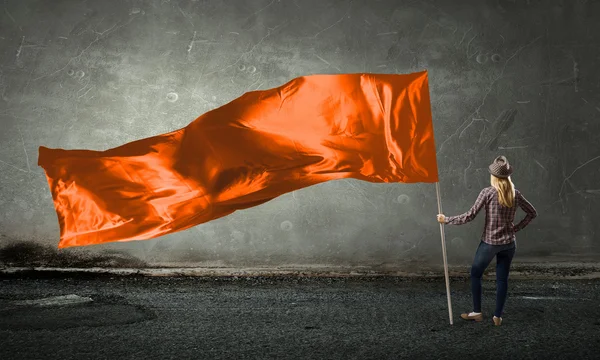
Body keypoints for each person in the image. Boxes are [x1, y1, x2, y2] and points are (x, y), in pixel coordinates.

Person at [436, 156, 537, 326]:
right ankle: (498, 316)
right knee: (502, 279)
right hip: (509, 243)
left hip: (490, 243)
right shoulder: (515, 194)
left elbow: (470, 216)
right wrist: (516, 228)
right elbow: (532, 212)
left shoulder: (487, 192)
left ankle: (477, 312)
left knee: (476, 274)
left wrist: (446, 219)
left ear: (494, 176)